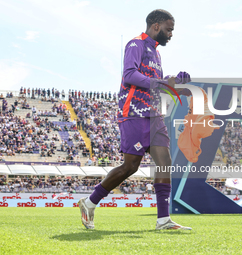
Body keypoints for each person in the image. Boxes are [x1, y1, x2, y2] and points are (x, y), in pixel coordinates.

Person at [79, 9, 192, 230]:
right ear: (156, 26)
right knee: (130, 166)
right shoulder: (135, 44)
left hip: (154, 113)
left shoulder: (157, 53)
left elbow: (157, 85)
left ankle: (163, 220)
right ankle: (89, 202)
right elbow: (130, 75)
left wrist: (177, 83)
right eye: (169, 30)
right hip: (134, 112)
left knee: (164, 164)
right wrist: (161, 83)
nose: (171, 34)